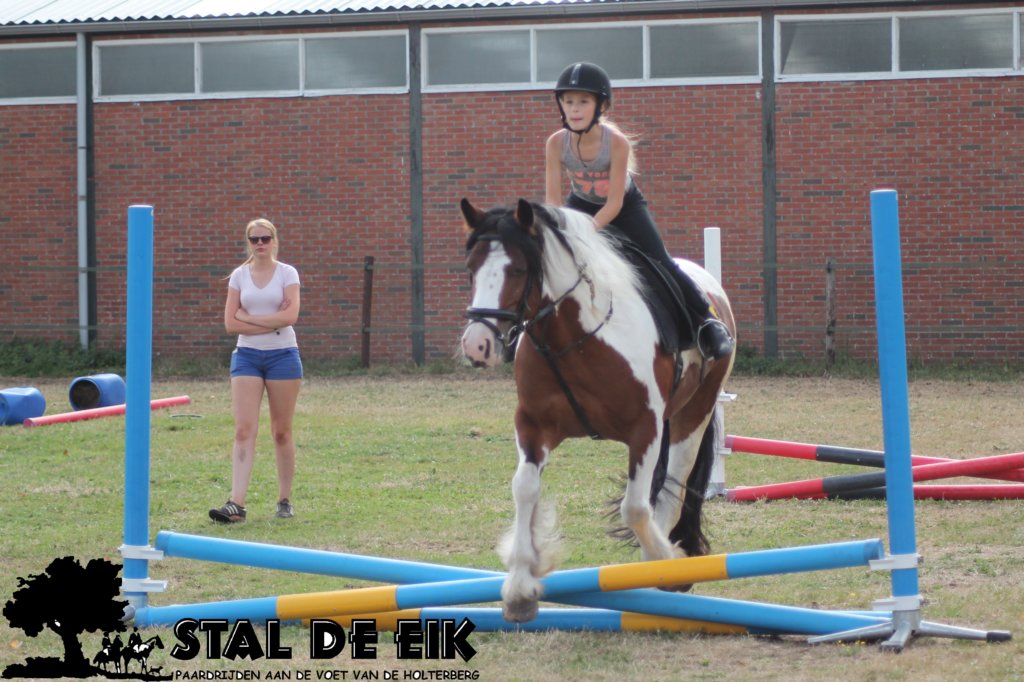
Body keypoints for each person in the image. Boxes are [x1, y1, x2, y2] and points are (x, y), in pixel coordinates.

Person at [545, 62, 734, 360]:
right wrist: (561, 233)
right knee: (551, 257)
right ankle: (522, 329)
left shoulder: (616, 143)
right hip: (579, 205)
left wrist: (584, 232)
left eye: (583, 101)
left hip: (624, 207)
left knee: (661, 261)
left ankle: (708, 323)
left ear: (601, 106)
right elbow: (554, 203)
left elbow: (614, 204)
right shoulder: (556, 143)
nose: (574, 109)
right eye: (568, 102)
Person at [209, 218, 302, 523]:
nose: (260, 244)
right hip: (247, 355)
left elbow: (290, 317)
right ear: (248, 242)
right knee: (243, 429)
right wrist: (272, 321)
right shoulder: (239, 276)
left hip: (283, 355)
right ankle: (236, 504)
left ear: (274, 240)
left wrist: (250, 319)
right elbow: (230, 323)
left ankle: (284, 499)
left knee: (281, 431)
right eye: (254, 239)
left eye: (265, 238)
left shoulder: (287, 273)